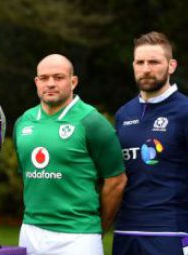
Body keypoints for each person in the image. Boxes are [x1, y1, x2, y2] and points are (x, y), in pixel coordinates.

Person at [111, 31, 188, 255]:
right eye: (140, 62)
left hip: (170, 234)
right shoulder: (123, 114)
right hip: (125, 233)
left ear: (171, 66)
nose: (146, 68)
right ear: (133, 65)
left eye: (154, 62)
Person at [13, 54, 127, 254]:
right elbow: (27, 175)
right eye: (44, 78)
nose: (50, 84)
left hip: (78, 236)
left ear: (73, 82)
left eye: (58, 77)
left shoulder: (92, 122)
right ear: (36, 82)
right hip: (30, 231)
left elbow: (116, 181)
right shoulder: (23, 122)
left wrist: (99, 228)